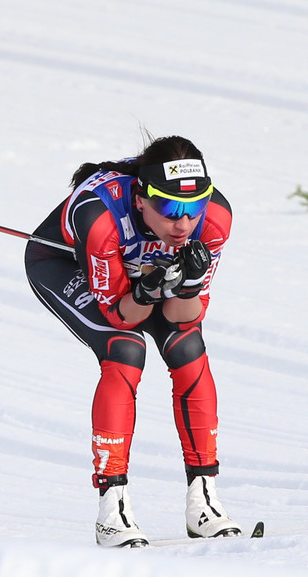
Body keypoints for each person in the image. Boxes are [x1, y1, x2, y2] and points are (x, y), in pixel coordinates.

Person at [24, 135, 241, 547]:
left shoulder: (214, 220)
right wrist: (144, 291)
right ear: (141, 199)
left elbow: (183, 316)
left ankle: (204, 500)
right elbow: (122, 316)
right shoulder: (101, 218)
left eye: (193, 208)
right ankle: (112, 511)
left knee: (187, 348)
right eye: (171, 209)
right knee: (126, 350)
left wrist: (189, 284)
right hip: (66, 262)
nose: (183, 223)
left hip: (139, 269)